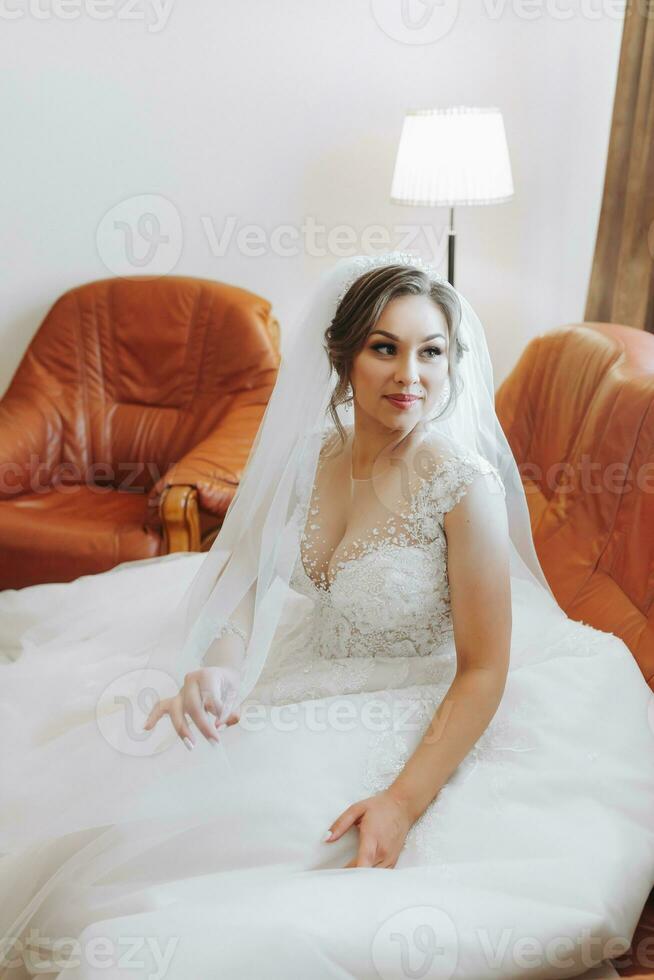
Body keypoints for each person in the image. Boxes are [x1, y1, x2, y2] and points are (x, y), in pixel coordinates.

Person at [1, 252, 652, 980]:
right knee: (145, 790)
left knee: (263, 853)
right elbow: (241, 582)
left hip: (426, 691)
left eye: (431, 352)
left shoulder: (462, 486)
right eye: (385, 348)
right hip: (315, 663)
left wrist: (402, 802)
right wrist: (215, 669)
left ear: (451, 363)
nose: (411, 375)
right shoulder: (309, 455)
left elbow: (484, 670)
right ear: (342, 359)